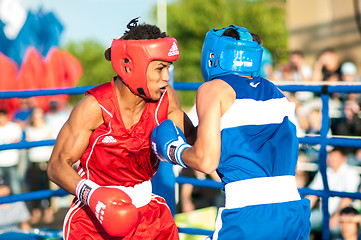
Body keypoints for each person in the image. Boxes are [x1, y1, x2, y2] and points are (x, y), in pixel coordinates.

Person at [151, 25, 311, 239]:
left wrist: (172, 150)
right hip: (293, 211)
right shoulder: (277, 93)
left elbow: (206, 161)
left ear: (214, 55)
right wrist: (175, 112)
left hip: (250, 213)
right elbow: (214, 139)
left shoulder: (214, 89)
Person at [47, 18, 195, 239]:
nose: (166, 78)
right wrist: (93, 195)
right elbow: (57, 165)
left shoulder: (165, 100)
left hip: (149, 218)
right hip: (93, 221)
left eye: (168, 68)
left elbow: (195, 140)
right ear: (131, 65)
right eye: (160, 68)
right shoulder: (95, 107)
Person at [306, 148, 361, 239]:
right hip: (324, 213)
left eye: (335, 157)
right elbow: (312, 195)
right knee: (302, 221)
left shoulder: (351, 173)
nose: (332, 159)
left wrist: (335, 217)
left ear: (343, 158)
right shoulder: (324, 171)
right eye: (331, 156)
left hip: (344, 214)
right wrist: (302, 213)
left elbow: (347, 199)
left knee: (338, 228)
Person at [25, 107, 54, 225]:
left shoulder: (47, 127)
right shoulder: (29, 129)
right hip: (35, 160)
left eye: (39, 114)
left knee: (47, 185)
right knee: (35, 186)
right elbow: (28, 144)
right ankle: (36, 211)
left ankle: (48, 211)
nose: (37, 117)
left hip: (46, 159)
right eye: (35, 114)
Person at [0, 108, 23, 194]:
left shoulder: (14, 127)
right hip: (1, 163)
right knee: (2, 191)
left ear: (6, 116)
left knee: (15, 188)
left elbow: (17, 140)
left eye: (2, 116)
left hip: (12, 162)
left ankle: (20, 206)